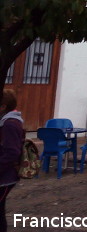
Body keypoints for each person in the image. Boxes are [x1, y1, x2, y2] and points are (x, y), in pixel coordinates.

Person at [0, 89, 24, 232]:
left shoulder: (9, 124)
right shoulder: (7, 122)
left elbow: (12, 152)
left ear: (3, 106)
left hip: (5, 177)